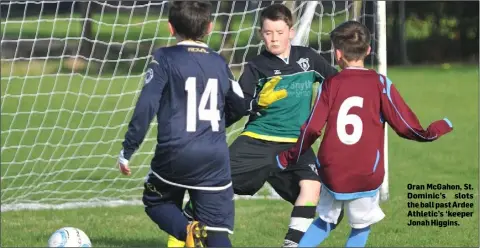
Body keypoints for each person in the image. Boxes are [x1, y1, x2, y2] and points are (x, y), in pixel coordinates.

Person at [172, 3, 339, 247]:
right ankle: (185, 225)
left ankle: (292, 244)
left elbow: (338, 84)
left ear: (291, 32)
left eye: (279, 33)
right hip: (258, 139)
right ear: (261, 34)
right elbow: (238, 106)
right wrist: (251, 105)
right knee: (215, 185)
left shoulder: (308, 59)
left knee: (313, 188)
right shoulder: (256, 67)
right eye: (268, 33)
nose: (274, 39)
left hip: (296, 144)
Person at [276, 20, 454, 247]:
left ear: (337, 53)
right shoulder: (380, 83)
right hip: (366, 171)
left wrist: (287, 157)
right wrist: (434, 130)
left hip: (332, 171)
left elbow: (312, 128)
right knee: (360, 226)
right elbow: (405, 127)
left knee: (325, 221)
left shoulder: (330, 84)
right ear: (369, 50)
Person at [117, 1, 246, 247]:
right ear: (209, 28)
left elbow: (146, 106)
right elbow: (240, 104)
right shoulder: (219, 62)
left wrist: (127, 150)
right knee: (217, 232)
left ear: (170, 27)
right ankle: (198, 232)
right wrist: (214, 125)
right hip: (214, 157)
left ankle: (188, 229)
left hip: (176, 153)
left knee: (156, 201)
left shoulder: (164, 57)